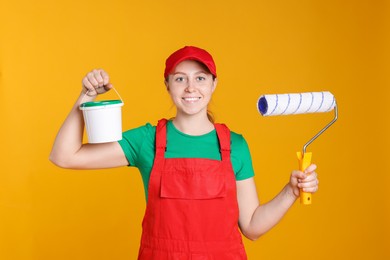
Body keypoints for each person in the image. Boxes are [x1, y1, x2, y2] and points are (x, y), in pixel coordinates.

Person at [50, 46, 319, 259]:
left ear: (213, 84)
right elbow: (64, 155)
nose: (191, 87)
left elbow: (252, 227)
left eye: (200, 78)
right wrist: (86, 97)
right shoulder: (147, 140)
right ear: (167, 85)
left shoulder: (236, 146)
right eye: (180, 78)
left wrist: (291, 191)